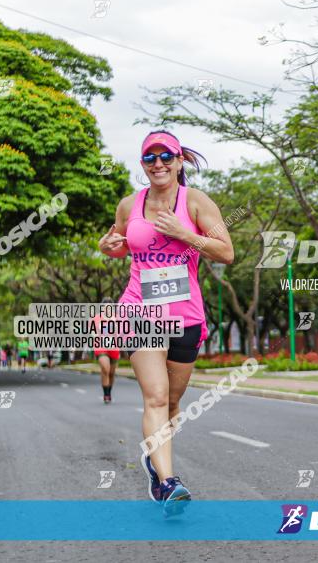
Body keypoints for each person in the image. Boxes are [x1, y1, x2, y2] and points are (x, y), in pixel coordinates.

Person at [99, 130, 234, 516]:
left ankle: (156, 467)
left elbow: (227, 252)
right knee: (156, 396)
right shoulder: (130, 204)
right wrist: (105, 246)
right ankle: (169, 481)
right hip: (141, 308)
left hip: (185, 313)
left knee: (173, 402)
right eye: (149, 158)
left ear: (179, 161)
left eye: (165, 156)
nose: (157, 164)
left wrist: (184, 234)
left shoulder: (196, 202)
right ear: (142, 164)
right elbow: (117, 243)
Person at [94, 297, 120, 404]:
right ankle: (106, 394)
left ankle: (109, 391)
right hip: (101, 346)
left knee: (111, 373)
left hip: (114, 347)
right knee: (106, 368)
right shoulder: (96, 319)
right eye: (105, 308)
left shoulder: (117, 318)